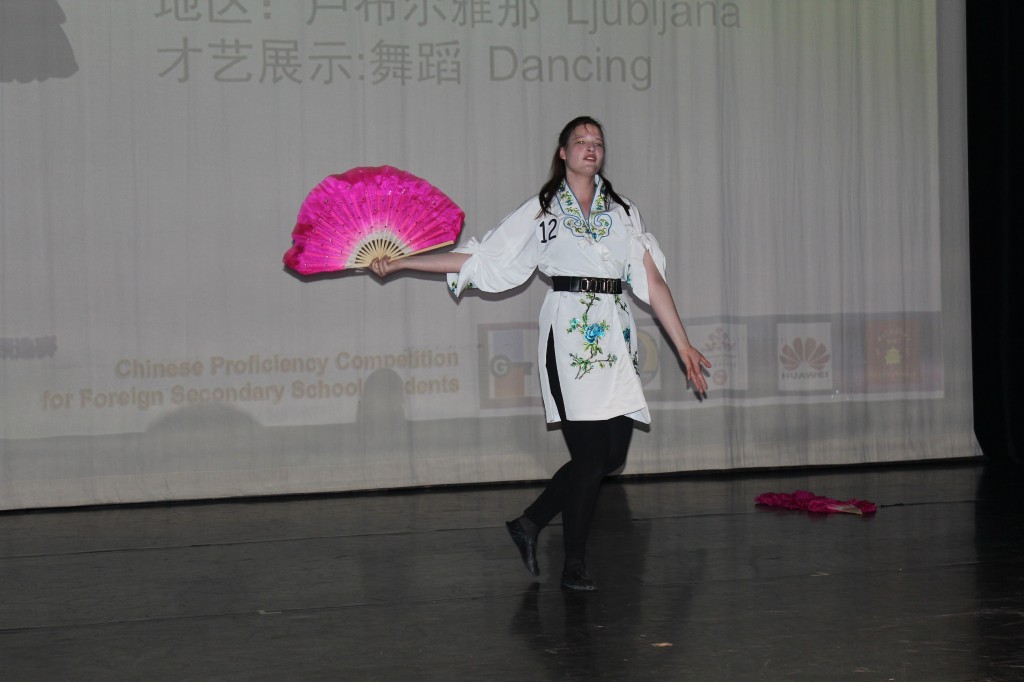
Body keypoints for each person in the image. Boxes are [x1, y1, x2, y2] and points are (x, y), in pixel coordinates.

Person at [370, 116, 710, 591]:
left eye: (597, 142)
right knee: (590, 457)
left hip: (615, 336)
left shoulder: (623, 212)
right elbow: (483, 258)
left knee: (612, 456)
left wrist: (683, 343)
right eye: (581, 141)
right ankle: (573, 564)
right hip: (569, 337)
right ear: (563, 153)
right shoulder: (541, 211)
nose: (591, 148)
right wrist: (403, 262)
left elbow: (652, 281)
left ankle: (529, 523)